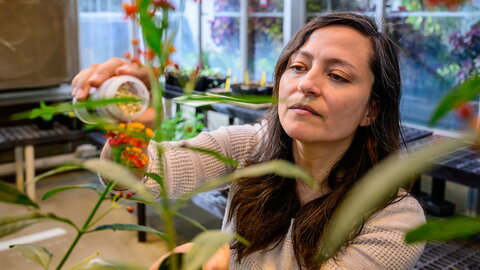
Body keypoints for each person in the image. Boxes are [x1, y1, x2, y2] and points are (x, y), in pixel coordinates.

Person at [72, 12, 425, 270]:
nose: (306, 85)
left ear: (371, 110)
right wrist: (128, 131)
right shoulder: (251, 147)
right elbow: (140, 177)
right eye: (299, 67)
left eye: (336, 75)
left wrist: (218, 255)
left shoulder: (394, 218)